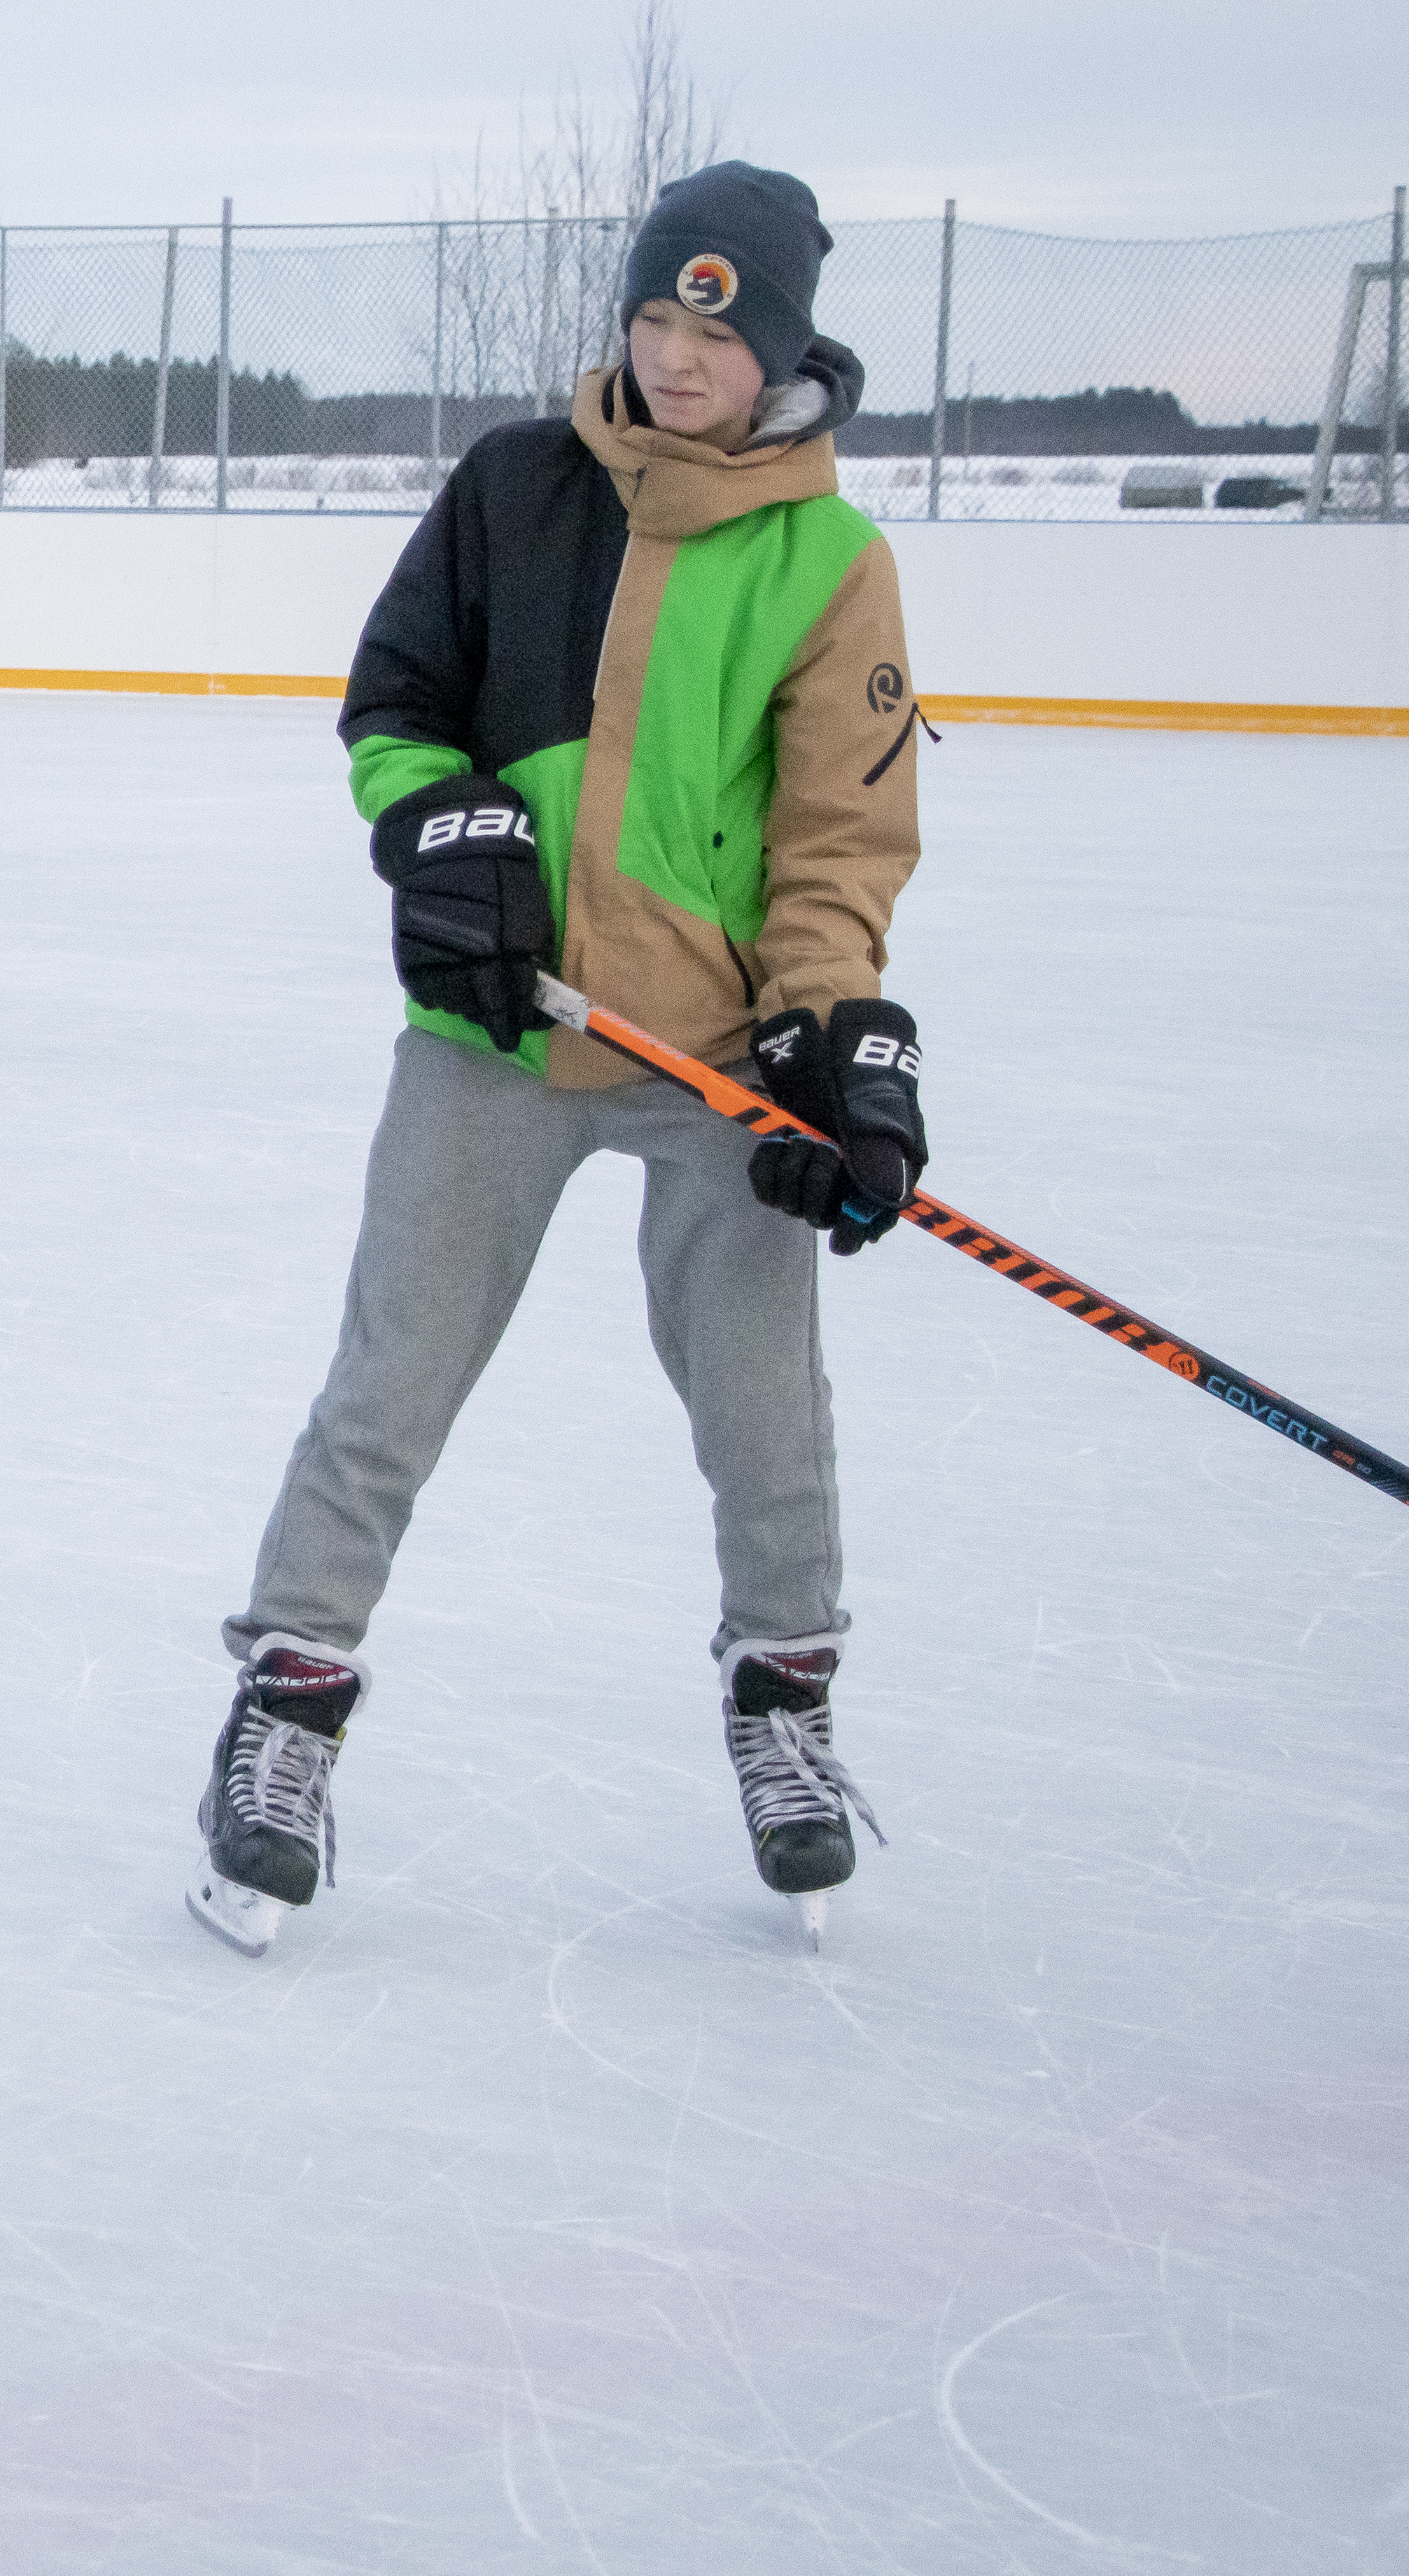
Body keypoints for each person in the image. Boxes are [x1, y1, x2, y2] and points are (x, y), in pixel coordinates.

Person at [190, 162, 933, 1957]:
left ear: (785, 349)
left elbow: (841, 836)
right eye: (657, 316)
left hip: (711, 1064)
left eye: (720, 326)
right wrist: (443, 832)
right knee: (390, 1385)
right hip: (497, 1037)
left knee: (769, 1415)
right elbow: (393, 703)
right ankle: (282, 1716)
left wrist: (842, 1041)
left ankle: (786, 1710)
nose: (678, 356)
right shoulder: (515, 489)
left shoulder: (831, 562)